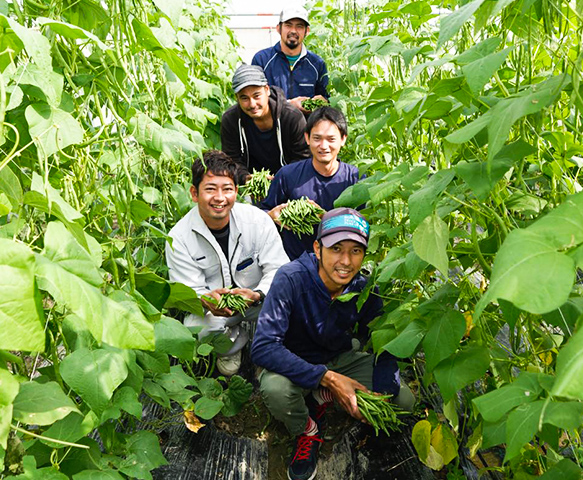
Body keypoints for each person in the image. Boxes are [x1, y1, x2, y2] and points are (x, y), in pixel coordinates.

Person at [251, 208, 415, 480]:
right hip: (295, 363)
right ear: (318, 248)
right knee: (276, 390)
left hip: (340, 357)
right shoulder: (291, 279)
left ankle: (322, 397)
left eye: (356, 251)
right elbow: (264, 347)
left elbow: (384, 341)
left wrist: (380, 392)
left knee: (403, 400)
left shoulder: (364, 286)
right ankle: (307, 430)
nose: (346, 261)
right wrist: (328, 378)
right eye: (336, 248)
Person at [165, 150, 289, 376]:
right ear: (194, 193)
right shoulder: (179, 237)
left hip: (257, 301)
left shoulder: (257, 220)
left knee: (289, 306)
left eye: (227, 189)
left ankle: (268, 348)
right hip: (215, 310)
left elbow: (278, 268)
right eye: (210, 189)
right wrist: (204, 299)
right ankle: (233, 345)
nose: (220, 198)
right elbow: (188, 290)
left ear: (236, 192)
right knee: (196, 328)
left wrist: (258, 294)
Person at [258, 106, 358, 260]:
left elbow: (363, 224)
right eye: (317, 138)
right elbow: (261, 214)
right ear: (307, 138)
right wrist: (271, 216)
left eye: (331, 139)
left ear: (343, 139)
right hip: (294, 264)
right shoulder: (287, 175)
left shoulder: (354, 179)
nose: (323, 146)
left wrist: (325, 218)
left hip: (341, 264)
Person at [220, 64, 309, 178]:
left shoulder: (292, 117)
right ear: (237, 97)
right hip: (249, 186)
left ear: (267, 90)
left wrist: (280, 179)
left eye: (256, 96)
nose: (252, 104)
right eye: (244, 98)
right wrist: (246, 178)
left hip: (289, 181)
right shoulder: (231, 120)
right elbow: (231, 159)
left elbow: (303, 157)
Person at [252, 6, 329, 113]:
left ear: (307, 31)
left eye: (299, 26)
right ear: (278, 28)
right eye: (288, 25)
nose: (293, 31)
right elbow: (254, 98)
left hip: (306, 128)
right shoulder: (262, 60)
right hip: (274, 127)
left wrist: (322, 101)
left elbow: (326, 98)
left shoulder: (317, 64)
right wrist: (288, 104)